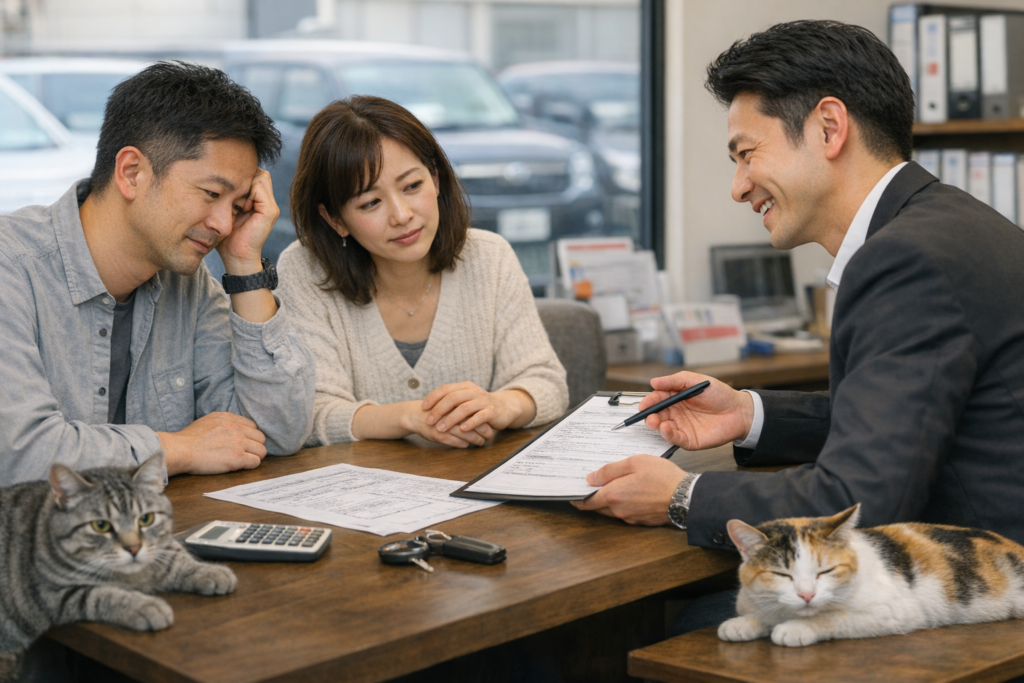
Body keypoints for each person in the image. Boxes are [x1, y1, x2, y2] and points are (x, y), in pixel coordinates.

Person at [573, 20, 1024, 550]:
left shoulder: (905, 260)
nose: (739, 188)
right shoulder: (952, 223)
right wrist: (748, 414)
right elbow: (904, 420)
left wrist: (682, 496)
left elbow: (858, 502)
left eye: (747, 154)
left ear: (829, 128)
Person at [0, 61, 316, 486]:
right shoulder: (12, 266)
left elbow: (275, 432)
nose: (224, 225)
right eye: (212, 194)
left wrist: (245, 265)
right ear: (132, 172)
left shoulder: (187, 281)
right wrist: (180, 448)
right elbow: (19, 454)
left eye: (238, 206)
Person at [277, 96, 568, 447]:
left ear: (436, 177)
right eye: (371, 203)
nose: (402, 215)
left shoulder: (489, 257)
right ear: (335, 219)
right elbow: (310, 413)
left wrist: (503, 405)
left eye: (412, 186)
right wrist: (408, 417)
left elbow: (545, 382)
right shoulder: (304, 271)